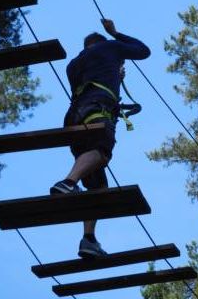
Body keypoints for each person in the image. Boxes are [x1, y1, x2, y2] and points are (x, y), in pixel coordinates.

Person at [50, 19, 151, 257]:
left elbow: (95, 77)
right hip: (97, 111)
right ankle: (67, 183)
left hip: (74, 118)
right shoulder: (110, 47)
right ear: (103, 44)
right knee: (102, 151)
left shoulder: (73, 65)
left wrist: (115, 74)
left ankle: (88, 239)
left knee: (98, 187)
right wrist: (115, 33)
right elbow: (143, 51)